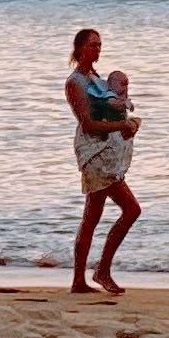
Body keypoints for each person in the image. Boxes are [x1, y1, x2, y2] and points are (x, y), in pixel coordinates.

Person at [65, 24, 143, 295]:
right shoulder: (75, 82)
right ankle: (102, 270)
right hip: (94, 154)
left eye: (99, 44)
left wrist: (126, 122)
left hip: (104, 154)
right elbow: (87, 124)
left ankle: (79, 281)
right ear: (78, 50)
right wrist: (122, 127)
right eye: (91, 45)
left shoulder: (95, 77)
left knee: (91, 217)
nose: (96, 49)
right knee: (132, 210)